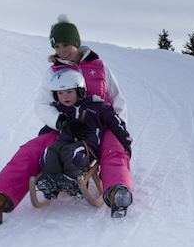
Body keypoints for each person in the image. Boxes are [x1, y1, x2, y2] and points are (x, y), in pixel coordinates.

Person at [0, 14, 134, 225]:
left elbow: (117, 99)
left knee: (114, 150)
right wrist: (62, 123)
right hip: (64, 127)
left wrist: (118, 128)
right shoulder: (53, 72)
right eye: (57, 47)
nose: (62, 51)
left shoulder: (100, 68)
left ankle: (116, 194)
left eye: (66, 45)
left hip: (101, 123)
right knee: (29, 151)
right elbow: (41, 105)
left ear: (76, 43)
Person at [37, 70, 132, 202]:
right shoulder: (61, 110)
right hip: (65, 141)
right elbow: (51, 125)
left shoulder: (96, 106)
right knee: (51, 149)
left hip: (88, 145)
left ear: (80, 90)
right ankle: (51, 180)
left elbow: (114, 122)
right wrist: (42, 135)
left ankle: (74, 180)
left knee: (71, 151)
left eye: (69, 92)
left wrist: (125, 140)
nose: (65, 97)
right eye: (60, 93)